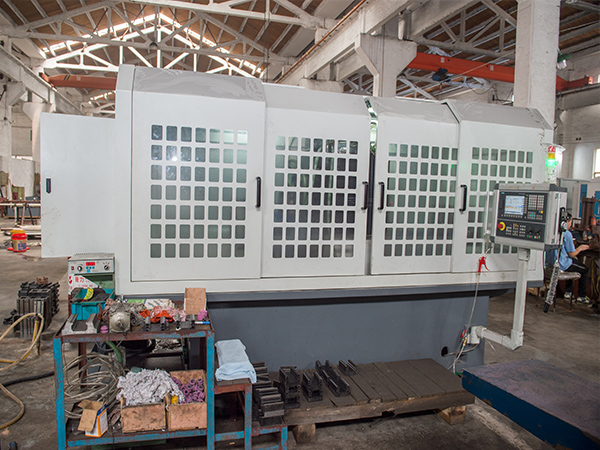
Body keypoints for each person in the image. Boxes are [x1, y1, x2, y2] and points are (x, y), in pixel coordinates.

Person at [560, 213, 590, 303]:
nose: (570, 224)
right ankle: (581, 296)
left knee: (573, 263)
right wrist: (580, 248)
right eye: (570, 222)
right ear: (567, 222)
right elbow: (572, 254)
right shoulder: (567, 234)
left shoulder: (555, 231)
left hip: (554, 262)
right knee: (585, 269)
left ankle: (568, 292)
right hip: (563, 264)